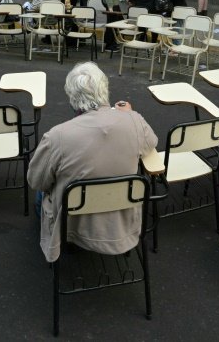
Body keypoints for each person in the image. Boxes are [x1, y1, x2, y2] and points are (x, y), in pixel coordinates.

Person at [26, 62, 157, 262]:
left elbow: (36, 181)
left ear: (71, 96)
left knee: (43, 188)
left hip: (73, 222)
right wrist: (129, 114)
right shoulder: (134, 121)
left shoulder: (57, 136)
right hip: (121, 218)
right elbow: (151, 143)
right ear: (105, 90)